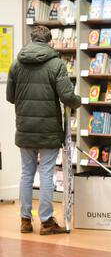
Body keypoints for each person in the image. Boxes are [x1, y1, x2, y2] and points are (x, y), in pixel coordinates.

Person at [6, 25, 81, 235]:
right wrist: (78, 102)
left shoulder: (16, 64)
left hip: (25, 128)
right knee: (46, 173)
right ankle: (47, 222)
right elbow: (67, 97)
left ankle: (25, 220)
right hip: (48, 129)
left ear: (32, 39)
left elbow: (10, 96)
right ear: (50, 42)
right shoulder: (56, 64)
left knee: (26, 173)